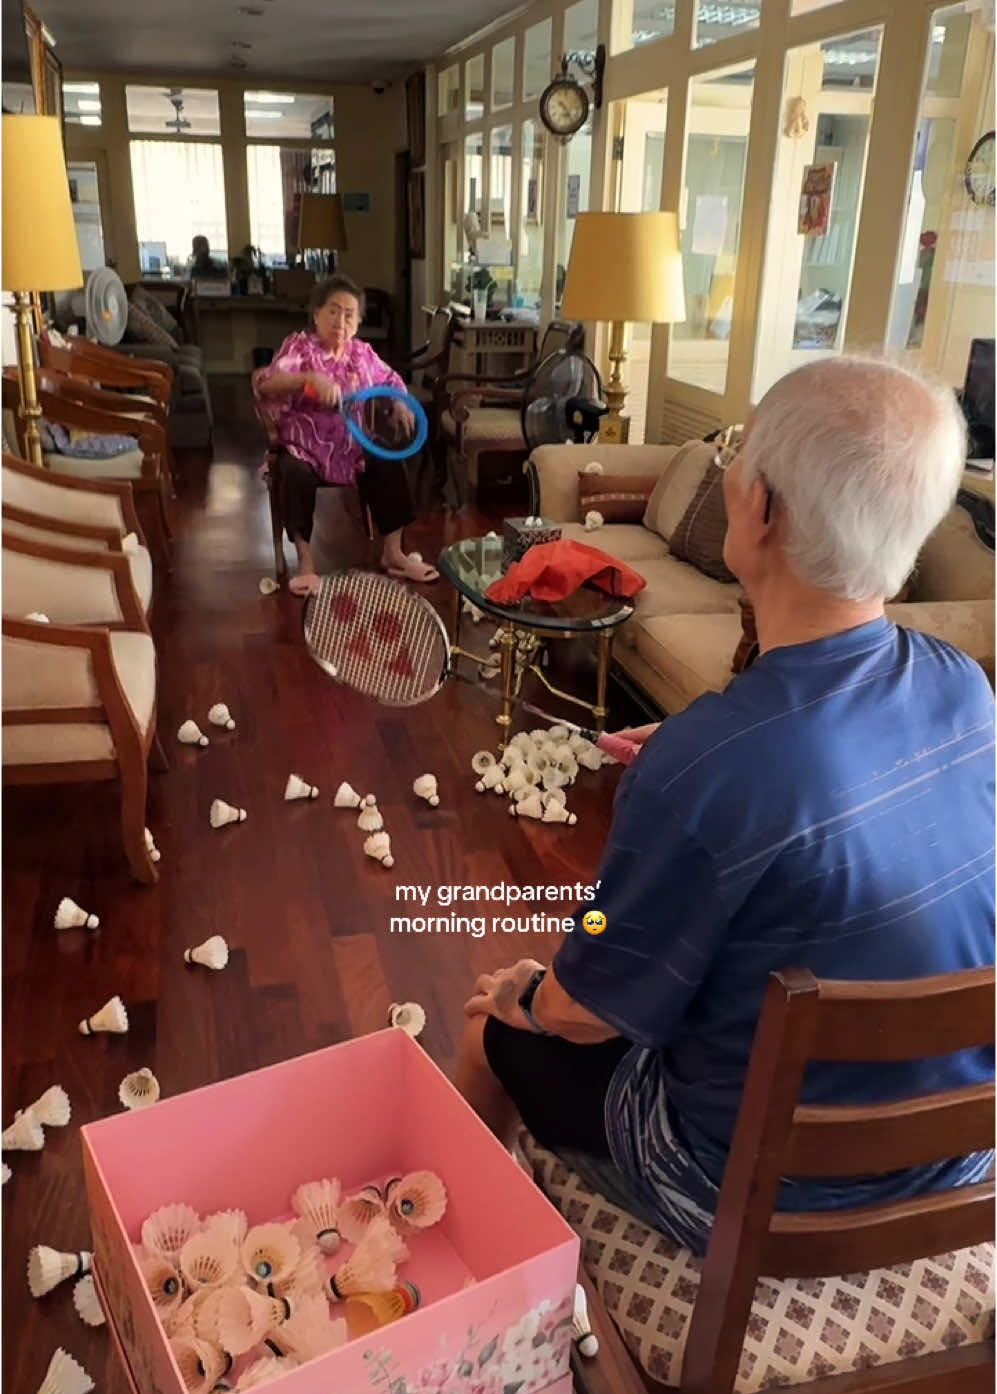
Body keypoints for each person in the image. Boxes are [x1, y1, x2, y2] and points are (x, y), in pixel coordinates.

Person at [455, 354, 995, 1256]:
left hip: (751, 1197)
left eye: (738, 460)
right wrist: (693, 755)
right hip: (951, 1158)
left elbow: (585, 1003)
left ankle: (474, 1272)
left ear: (764, 510)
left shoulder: (702, 769)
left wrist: (529, 992)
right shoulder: (966, 694)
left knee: (488, 1023)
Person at [254, 275, 437, 597]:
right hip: (304, 447)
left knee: (387, 460)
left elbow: (390, 379)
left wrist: (398, 402)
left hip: (352, 446)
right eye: (334, 311)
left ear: (358, 322)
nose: (341, 320)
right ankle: (307, 564)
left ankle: (393, 554)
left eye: (350, 314)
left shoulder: (361, 354)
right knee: (295, 474)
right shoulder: (298, 347)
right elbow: (266, 384)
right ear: (316, 314)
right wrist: (308, 379)